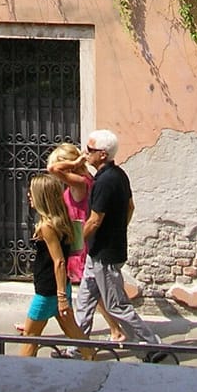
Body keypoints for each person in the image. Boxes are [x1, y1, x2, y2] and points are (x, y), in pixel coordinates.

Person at [69, 129, 167, 359]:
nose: (86, 153)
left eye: (90, 150)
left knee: (116, 305)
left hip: (105, 255)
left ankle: (152, 345)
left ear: (102, 154)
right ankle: (76, 350)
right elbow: (130, 207)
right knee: (84, 302)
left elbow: (94, 220)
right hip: (99, 252)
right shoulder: (119, 175)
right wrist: (118, 229)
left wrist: (72, 242)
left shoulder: (105, 182)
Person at [46, 142, 125, 342]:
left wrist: (74, 161)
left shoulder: (80, 182)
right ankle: (84, 338)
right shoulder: (87, 179)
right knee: (90, 292)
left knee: (93, 292)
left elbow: (52, 169)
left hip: (81, 239)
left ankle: (114, 330)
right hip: (79, 237)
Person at [16, 173, 94, 359]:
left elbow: (59, 262)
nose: (28, 196)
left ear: (42, 197)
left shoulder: (47, 226)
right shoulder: (61, 220)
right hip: (59, 287)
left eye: (31, 193)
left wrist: (61, 298)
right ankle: (92, 359)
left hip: (48, 292)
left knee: (30, 337)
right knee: (72, 330)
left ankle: (18, 373)